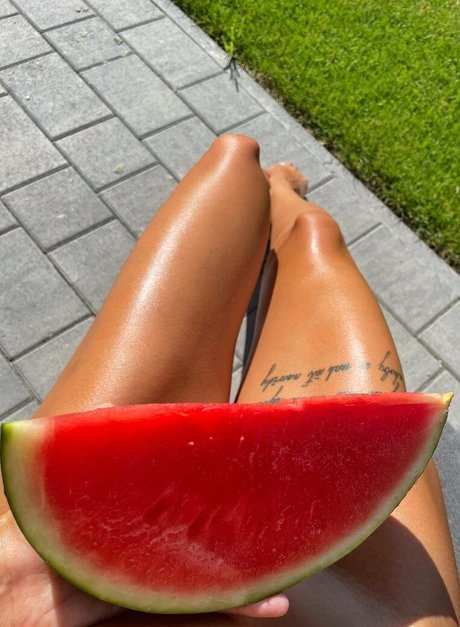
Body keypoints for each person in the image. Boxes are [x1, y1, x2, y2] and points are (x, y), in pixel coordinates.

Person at [0, 134, 459, 627]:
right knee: (315, 237)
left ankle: (272, 191)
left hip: (32, 587)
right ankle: (288, 208)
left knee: (234, 156)